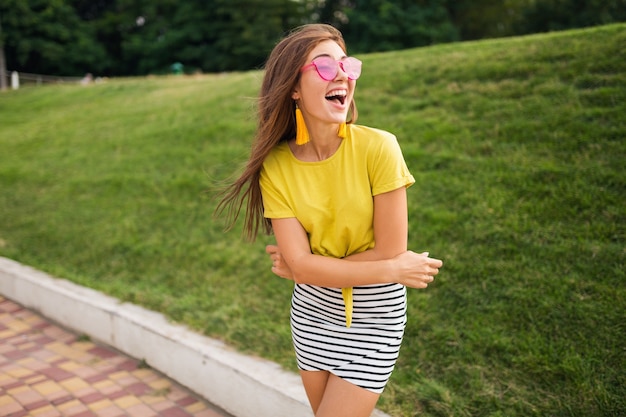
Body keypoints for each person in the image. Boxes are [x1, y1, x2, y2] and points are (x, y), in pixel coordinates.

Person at [217, 24, 443, 417]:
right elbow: (386, 258)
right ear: (292, 87)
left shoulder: (379, 147)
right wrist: (390, 268)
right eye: (324, 67)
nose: (342, 75)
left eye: (347, 65)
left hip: (375, 315)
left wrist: (309, 268)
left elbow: (381, 248)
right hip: (313, 314)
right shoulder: (276, 166)